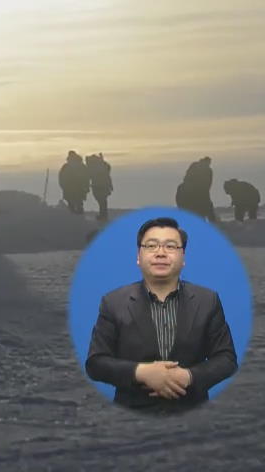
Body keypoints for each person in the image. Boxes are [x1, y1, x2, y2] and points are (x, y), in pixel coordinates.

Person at [85, 217, 238, 412]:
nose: (160, 253)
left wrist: (189, 377)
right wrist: (141, 373)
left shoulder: (208, 300)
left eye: (170, 246)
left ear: (183, 257)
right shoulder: (113, 302)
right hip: (130, 417)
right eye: (151, 246)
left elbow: (226, 359)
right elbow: (96, 363)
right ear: (138, 257)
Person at [176, 156, 218, 222]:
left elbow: (207, 184)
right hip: (197, 191)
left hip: (193, 190)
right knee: (207, 208)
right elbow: (208, 184)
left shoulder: (196, 166)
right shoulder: (207, 170)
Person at [58, 151, 89, 215]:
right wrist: (86, 187)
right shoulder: (82, 166)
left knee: (72, 204)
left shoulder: (66, 166)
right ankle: (79, 217)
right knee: (78, 203)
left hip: (70, 188)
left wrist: (63, 186)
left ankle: (75, 217)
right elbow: (86, 177)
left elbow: (61, 177)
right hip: (78, 188)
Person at [85, 153, 113, 221]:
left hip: (98, 186)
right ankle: (103, 215)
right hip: (102, 186)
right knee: (102, 201)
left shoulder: (94, 166)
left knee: (102, 201)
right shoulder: (101, 165)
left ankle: (103, 216)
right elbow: (107, 173)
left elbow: (89, 175)